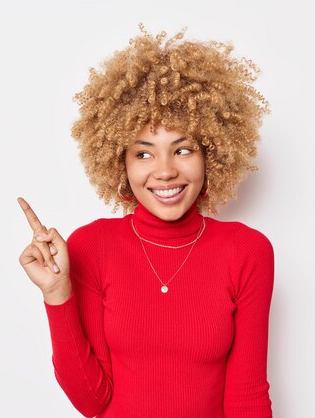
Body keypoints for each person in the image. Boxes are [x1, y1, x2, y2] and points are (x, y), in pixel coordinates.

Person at [17, 23, 274, 418]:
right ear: (119, 162)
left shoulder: (247, 251)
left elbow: (247, 397)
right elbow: (92, 400)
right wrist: (57, 293)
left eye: (183, 149)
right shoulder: (92, 246)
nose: (165, 171)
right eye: (143, 153)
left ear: (212, 154)